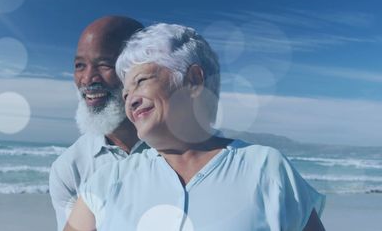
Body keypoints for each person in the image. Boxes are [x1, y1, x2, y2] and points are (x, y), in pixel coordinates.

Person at [64, 23, 325, 231]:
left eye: (141, 81)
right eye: (125, 93)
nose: (130, 98)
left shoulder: (265, 169)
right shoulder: (107, 182)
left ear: (194, 79)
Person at [49, 16, 147, 231]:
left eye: (104, 64)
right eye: (79, 65)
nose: (87, 78)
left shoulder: (185, 151)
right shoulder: (70, 168)